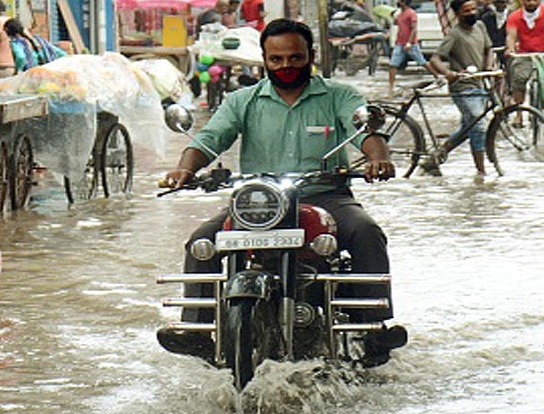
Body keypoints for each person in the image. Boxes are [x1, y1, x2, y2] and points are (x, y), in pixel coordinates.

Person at [157, 18, 406, 361]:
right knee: (202, 240)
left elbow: (365, 133)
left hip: (326, 196)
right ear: (264, 59)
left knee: (366, 232)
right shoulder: (242, 100)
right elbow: (210, 138)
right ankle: (199, 331)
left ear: (310, 55)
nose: (285, 66)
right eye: (276, 60)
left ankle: (375, 329)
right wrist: (185, 169)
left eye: (294, 58)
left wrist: (378, 159)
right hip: (258, 202)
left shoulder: (339, 95)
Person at [425, 0, 495, 176]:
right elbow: (435, 59)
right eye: (467, 11)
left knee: (468, 127)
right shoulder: (454, 34)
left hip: (480, 84)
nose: (472, 13)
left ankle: (435, 157)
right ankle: (481, 171)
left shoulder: (480, 26)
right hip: (463, 89)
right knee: (479, 125)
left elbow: (489, 49)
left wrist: (489, 67)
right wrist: (448, 74)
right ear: (457, 14)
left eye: (473, 9)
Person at [387, 0, 429, 96]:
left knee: (422, 62)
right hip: (399, 43)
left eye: (399, 1)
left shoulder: (411, 13)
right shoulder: (400, 14)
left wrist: (409, 42)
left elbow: (414, 29)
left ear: (403, 2)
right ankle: (390, 87)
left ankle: (438, 77)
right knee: (393, 64)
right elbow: (397, 24)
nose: (397, 2)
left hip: (411, 43)